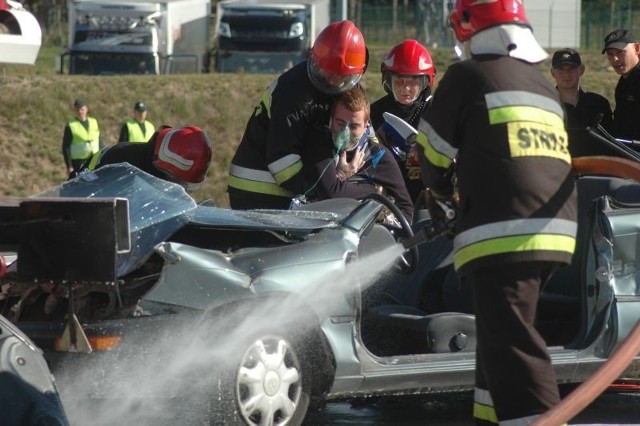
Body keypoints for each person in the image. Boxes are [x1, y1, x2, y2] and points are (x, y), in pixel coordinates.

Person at [416, 1, 578, 424]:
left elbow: (431, 150)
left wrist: (438, 194)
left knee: (514, 342)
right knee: (495, 339)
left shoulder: (468, 76)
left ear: (471, 30)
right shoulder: (541, 85)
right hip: (555, 226)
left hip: (507, 229)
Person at [227, 20, 368, 210]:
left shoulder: (350, 88)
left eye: (342, 78)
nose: (333, 83)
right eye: (326, 73)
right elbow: (282, 164)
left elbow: (365, 130)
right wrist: (325, 188)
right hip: (259, 188)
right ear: (314, 58)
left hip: (288, 187)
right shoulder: (294, 94)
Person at [301, 87, 413, 221]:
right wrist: (374, 191)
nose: (345, 131)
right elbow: (331, 193)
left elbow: (406, 209)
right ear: (331, 120)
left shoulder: (377, 156)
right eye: (340, 123)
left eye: (353, 126)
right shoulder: (320, 145)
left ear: (366, 126)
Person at [371, 39, 436, 205]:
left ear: (425, 83)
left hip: (428, 198)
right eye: (399, 80)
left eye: (413, 81)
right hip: (386, 199)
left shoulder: (437, 113)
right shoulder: (374, 113)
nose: (405, 88)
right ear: (388, 80)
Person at [78, 126, 212, 190]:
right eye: (178, 181)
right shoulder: (127, 166)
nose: (181, 187)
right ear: (164, 167)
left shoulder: (151, 168)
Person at [550, 47, 614, 157]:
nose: (566, 74)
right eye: (561, 69)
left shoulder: (599, 105)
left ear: (581, 70)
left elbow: (611, 145)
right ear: (552, 73)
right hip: (558, 172)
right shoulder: (545, 107)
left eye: (572, 68)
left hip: (595, 171)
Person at [602, 29, 640, 141]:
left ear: (637, 49)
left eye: (620, 52)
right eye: (610, 54)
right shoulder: (624, 82)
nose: (615, 59)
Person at [61, 99, 104, 175]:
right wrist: (69, 166)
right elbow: (66, 147)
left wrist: (103, 155)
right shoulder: (71, 125)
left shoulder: (93, 122)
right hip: (79, 162)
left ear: (86, 109)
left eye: (82, 109)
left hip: (95, 158)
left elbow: (99, 140)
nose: (80, 112)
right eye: (77, 110)